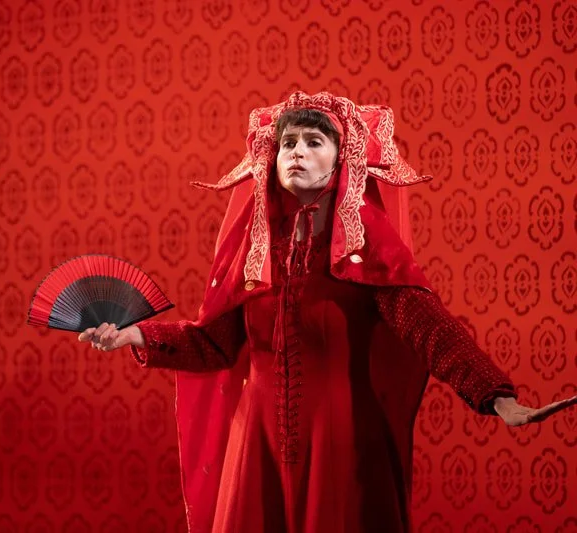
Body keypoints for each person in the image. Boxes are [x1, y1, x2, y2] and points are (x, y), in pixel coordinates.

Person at [77, 92, 576, 533]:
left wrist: (496, 397)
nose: (296, 151)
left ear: (344, 162)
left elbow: (431, 329)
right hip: (255, 447)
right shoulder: (253, 248)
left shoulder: (365, 242)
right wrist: (134, 336)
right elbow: (215, 343)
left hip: (342, 442)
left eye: (314, 141)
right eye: (288, 142)